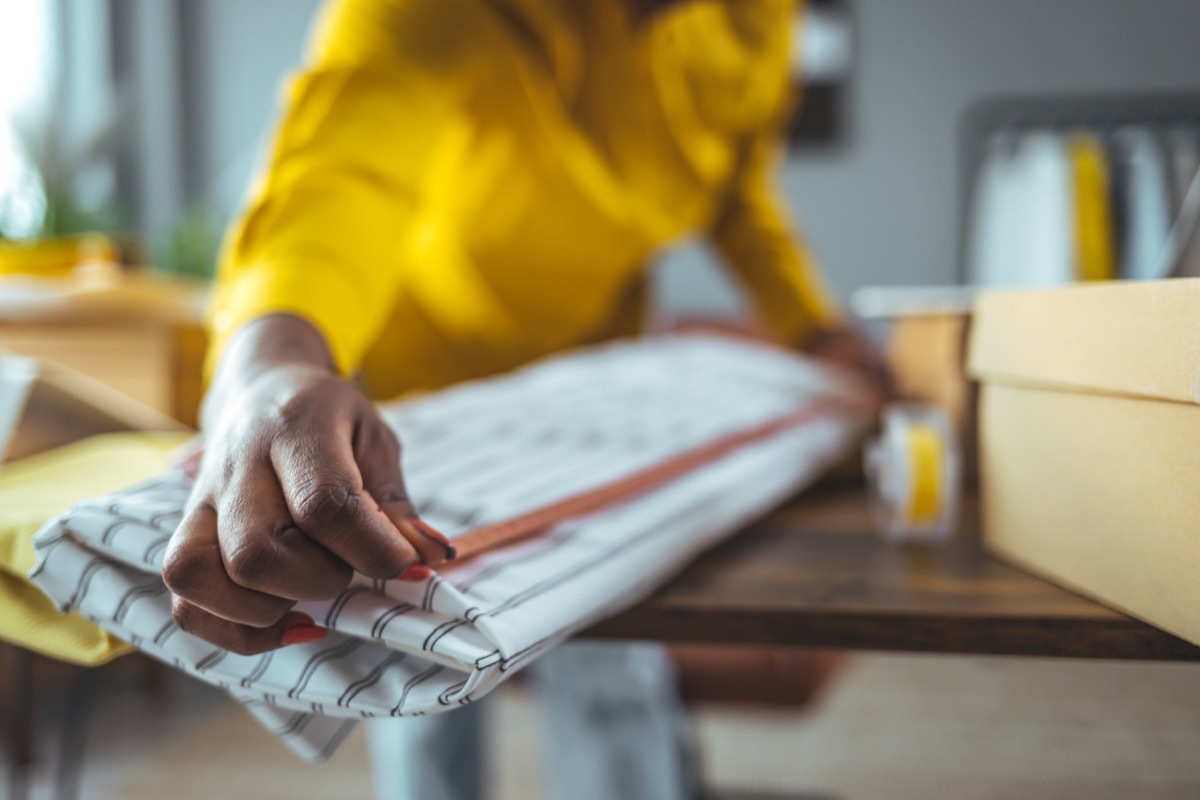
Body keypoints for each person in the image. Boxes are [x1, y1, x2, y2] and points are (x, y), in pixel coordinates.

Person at [162, 0, 882, 797]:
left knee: (612, 658)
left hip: (593, 395)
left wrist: (816, 332)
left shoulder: (759, 20)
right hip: (420, 402)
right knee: (424, 676)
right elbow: (341, 174)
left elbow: (737, 192)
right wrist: (271, 362)